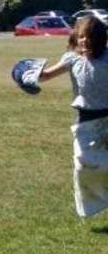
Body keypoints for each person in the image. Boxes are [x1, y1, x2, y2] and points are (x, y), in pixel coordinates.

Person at [35, 16, 108, 218]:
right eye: (81, 36)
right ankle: (94, 204)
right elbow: (46, 75)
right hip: (86, 120)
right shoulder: (72, 59)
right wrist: (30, 74)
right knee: (82, 163)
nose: (84, 40)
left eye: (89, 36)